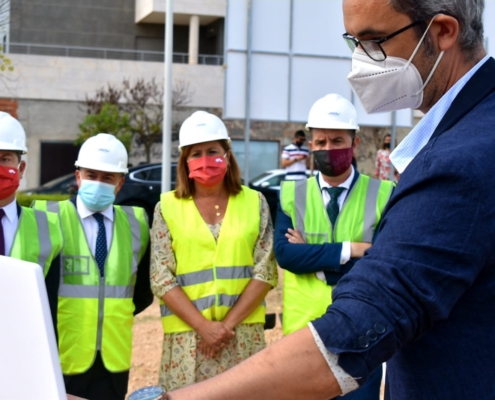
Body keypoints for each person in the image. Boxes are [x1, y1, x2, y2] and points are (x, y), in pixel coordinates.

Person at [163, 0, 495, 399]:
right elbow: (290, 256)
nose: (359, 64)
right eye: (353, 42)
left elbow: (367, 318)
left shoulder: (461, 160)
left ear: (442, 32)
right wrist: (355, 252)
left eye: (374, 41)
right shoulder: (470, 132)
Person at [275, 94, 394, 399]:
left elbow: (382, 261)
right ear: (311, 145)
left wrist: (312, 258)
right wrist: (351, 249)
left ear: (354, 144)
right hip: (304, 333)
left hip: (362, 332)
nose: (329, 149)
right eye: (321, 142)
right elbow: (287, 255)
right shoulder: (291, 194)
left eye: (338, 140)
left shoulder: (384, 194)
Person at [150, 111, 277, 391]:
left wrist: (224, 327)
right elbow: (161, 277)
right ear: (185, 161)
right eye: (196, 154)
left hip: (241, 334)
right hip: (188, 339)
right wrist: (204, 328)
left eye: (212, 151)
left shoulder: (255, 202)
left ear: (227, 156)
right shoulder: (167, 208)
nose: (205, 160)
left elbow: (265, 271)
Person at [33, 133, 153, 400]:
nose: (98, 183)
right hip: (62, 356)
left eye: (107, 178)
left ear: (120, 184)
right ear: (78, 177)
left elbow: (142, 292)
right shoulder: (47, 217)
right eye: (91, 175)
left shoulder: (137, 223)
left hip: (113, 361)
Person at [0, 111, 63, 326]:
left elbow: (51, 304)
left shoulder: (48, 229)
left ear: (21, 168)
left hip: (22, 345)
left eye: (4, 158)